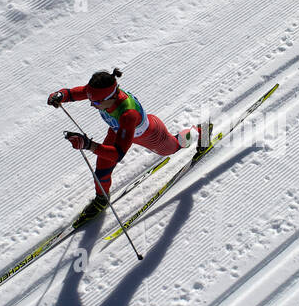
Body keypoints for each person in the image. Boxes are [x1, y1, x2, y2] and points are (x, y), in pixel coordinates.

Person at [48, 68, 201, 217]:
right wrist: (60, 95)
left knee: (173, 146)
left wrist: (89, 145)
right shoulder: (101, 93)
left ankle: (201, 131)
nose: (92, 105)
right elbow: (74, 93)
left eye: (95, 103)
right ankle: (102, 199)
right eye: (91, 101)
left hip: (150, 134)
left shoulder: (128, 114)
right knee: (101, 171)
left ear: (110, 98)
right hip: (117, 131)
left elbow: (118, 154)